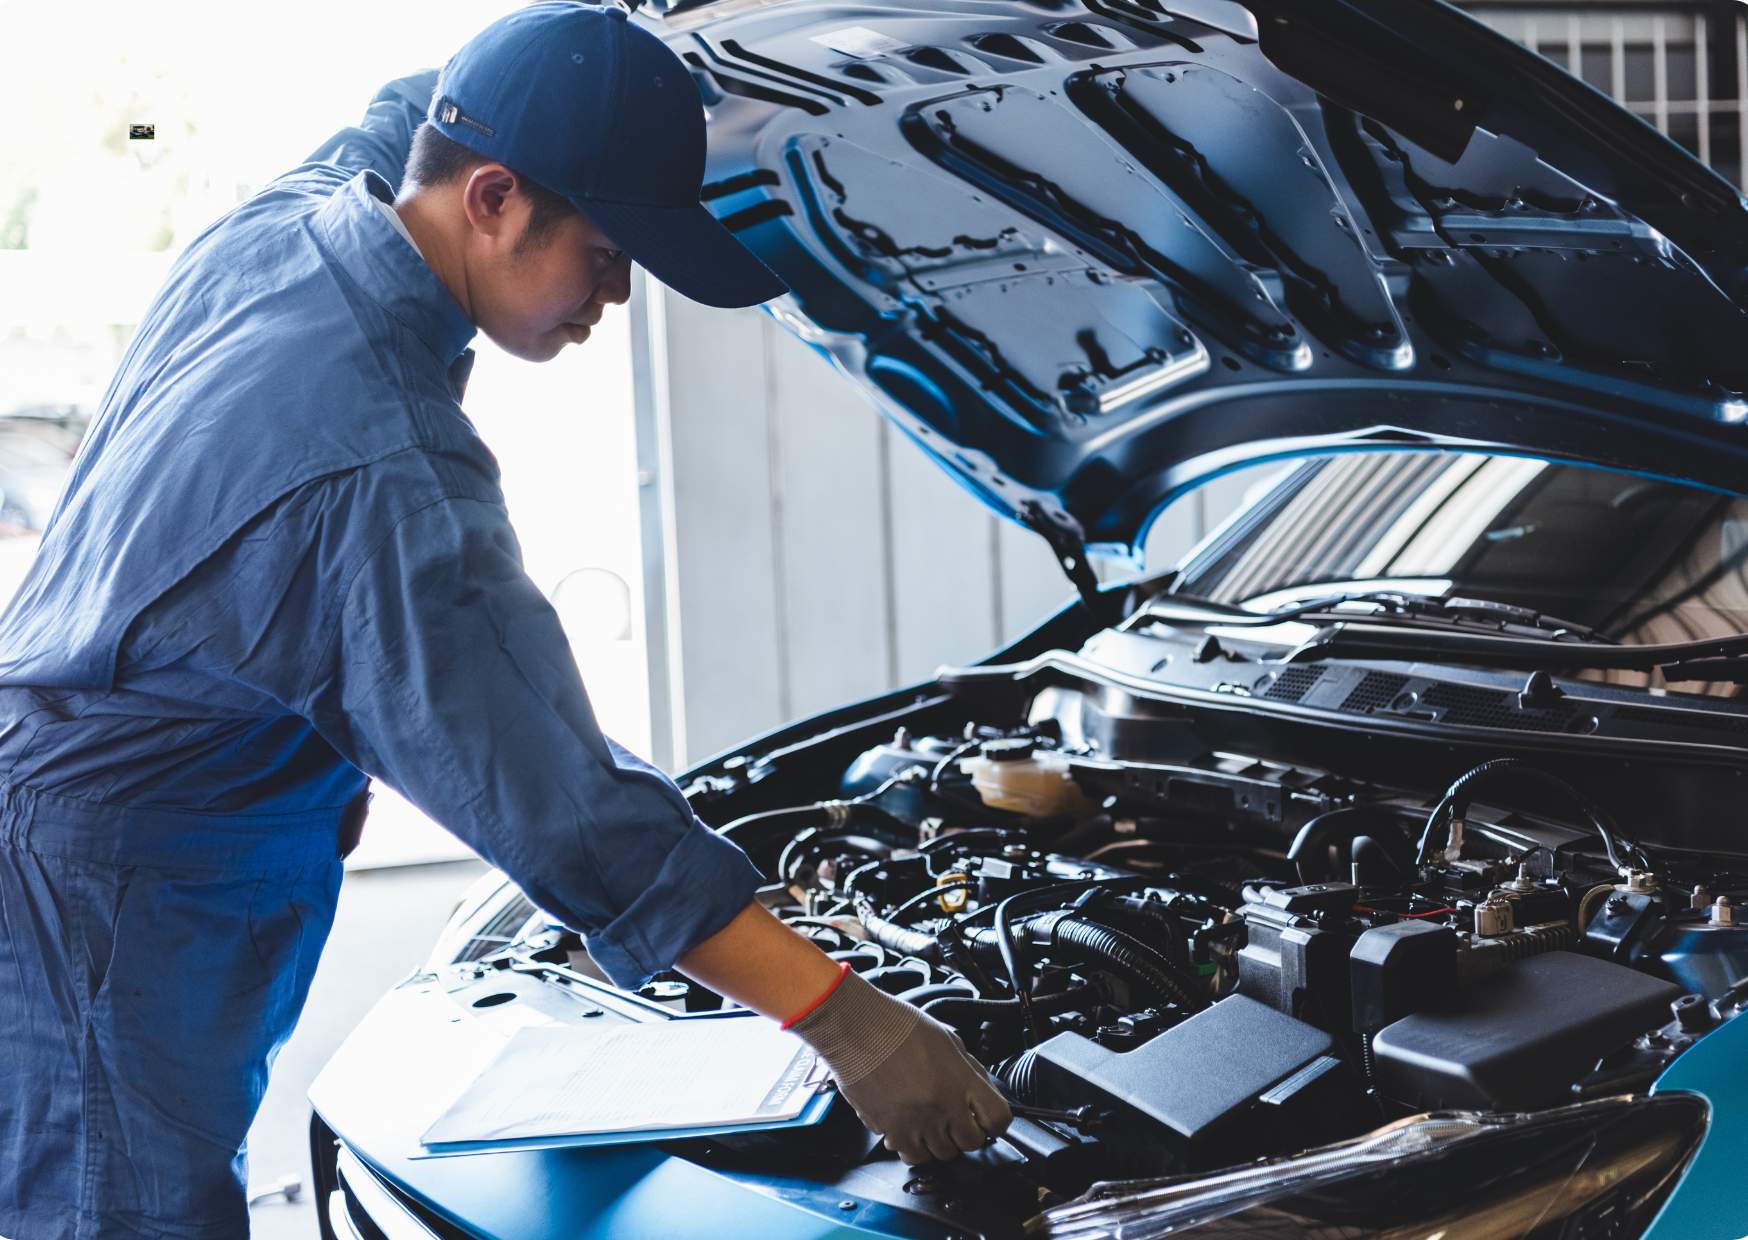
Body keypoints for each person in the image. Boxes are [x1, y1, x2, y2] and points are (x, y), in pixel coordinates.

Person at [0, 4, 1010, 1235]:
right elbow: (570, 806)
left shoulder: (302, 218)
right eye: (603, 251)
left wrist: (603, 66)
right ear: (490, 198)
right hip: (108, 889)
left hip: (122, 834)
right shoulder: (382, 469)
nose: (620, 293)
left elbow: (408, 105)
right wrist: (845, 1018)